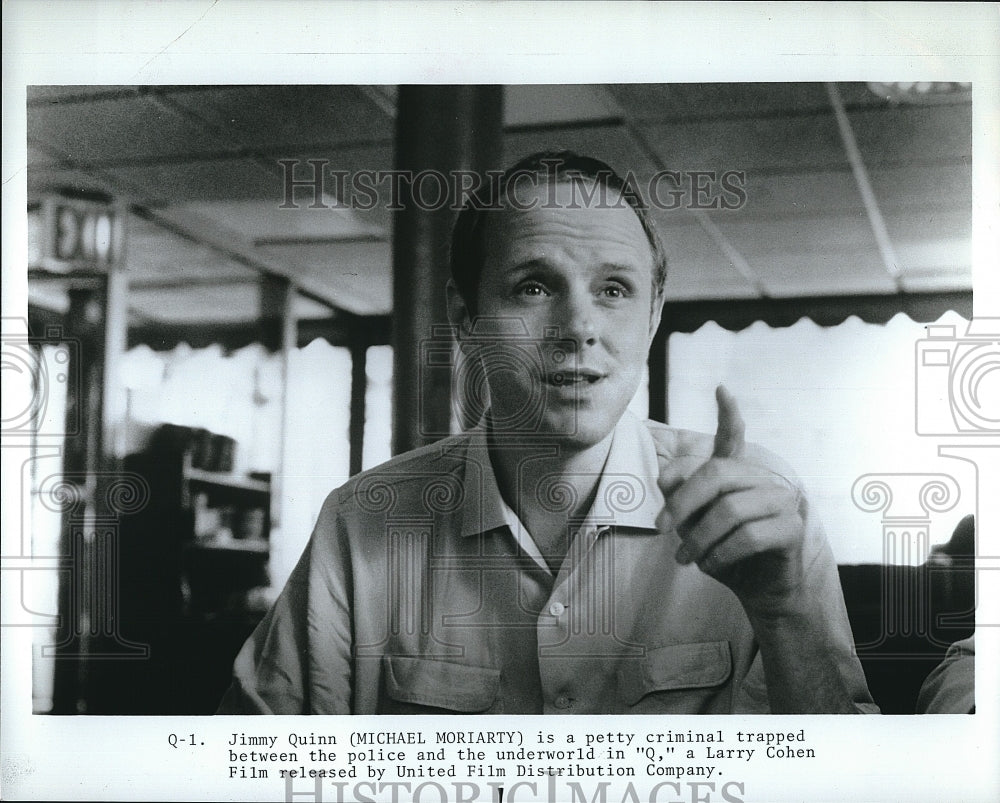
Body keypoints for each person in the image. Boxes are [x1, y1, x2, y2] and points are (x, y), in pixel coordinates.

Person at [218, 151, 877, 714]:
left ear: (651, 319)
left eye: (614, 290)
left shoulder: (761, 504)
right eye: (534, 286)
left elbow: (854, 785)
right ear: (465, 316)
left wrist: (786, 609)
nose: (578, 327)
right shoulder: (360, 521)